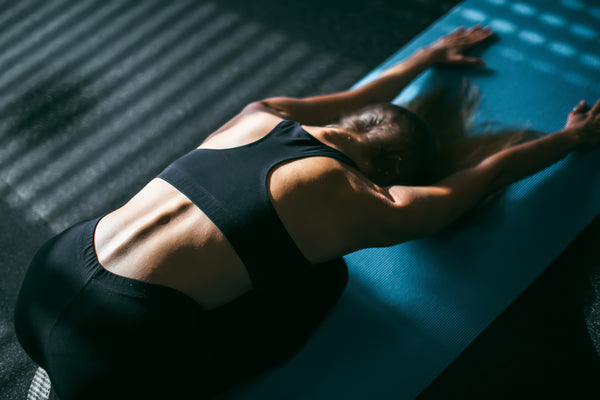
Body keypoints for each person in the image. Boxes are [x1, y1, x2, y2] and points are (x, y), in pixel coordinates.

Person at [14, 25, 600, 399]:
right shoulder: (370, 200)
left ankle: (60, 365)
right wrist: (571, 139)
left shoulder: (263, 113)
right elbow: (484, 176)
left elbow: (352, 99)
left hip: (46, 278)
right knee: (326, 278)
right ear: (393, 171)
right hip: (110, 357)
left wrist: (425, 56)